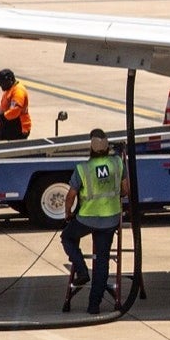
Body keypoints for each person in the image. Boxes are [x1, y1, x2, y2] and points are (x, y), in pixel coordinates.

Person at [60, 128, 124, 314]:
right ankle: (94, 305)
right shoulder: (118, 163)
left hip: (86, 219)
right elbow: (126, 190)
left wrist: (68, 214)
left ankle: (81, 270)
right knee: (102, 261)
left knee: (67, 237)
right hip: (111, 218)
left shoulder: (83, 168)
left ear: (91, 148)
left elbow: (71, 196)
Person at [0, 69, 32, 141]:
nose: (0, 85)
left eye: (1, 83)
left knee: (4, 147)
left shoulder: (18, 91)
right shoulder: (9, 90)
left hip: (18, 127)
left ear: (10, 81)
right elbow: (4, 109)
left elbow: (15, 111)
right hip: (8, 124)